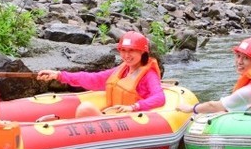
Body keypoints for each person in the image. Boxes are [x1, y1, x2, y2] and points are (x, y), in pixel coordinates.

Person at [36, 31, 164, 117]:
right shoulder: (122, 69)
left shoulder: (149, 75)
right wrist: (58, 75)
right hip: (114, 116)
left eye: (131, 51)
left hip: (133, 118)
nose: (126, 55)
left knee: (85, 108)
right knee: (85, 108)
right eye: (123, 50)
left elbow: (159, 98)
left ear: (143, 53)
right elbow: (93, 79)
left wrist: (134, 107)